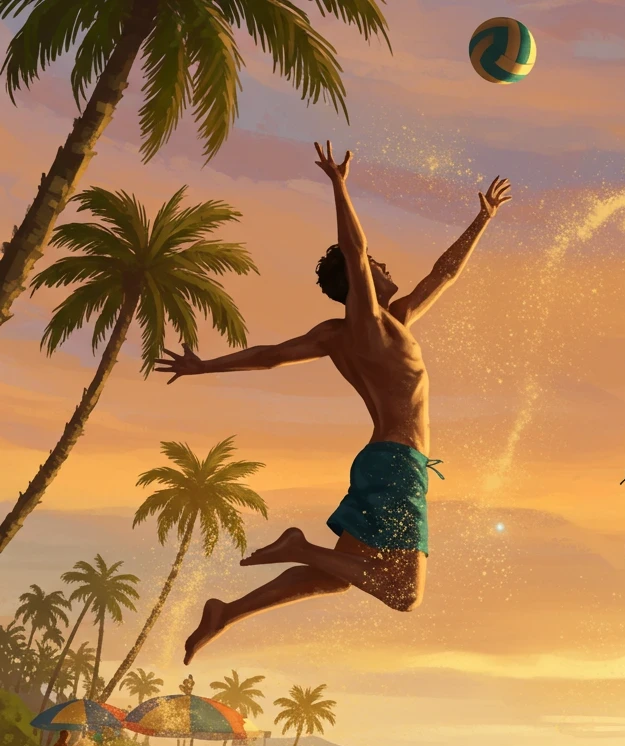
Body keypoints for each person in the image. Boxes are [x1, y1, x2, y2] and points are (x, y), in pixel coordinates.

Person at [156, 141, 512, 664]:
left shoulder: (367, 329)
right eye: (377, 266)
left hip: (381, 462)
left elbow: (272, 355)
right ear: (363, 279)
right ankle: (297, 545)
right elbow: (353, 250)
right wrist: (340, 186)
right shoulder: (365, 325)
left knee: (336, 578)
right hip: (397, 465)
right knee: (403, 593)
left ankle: (226, 612)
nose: (387, 269)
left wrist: (481, 220)